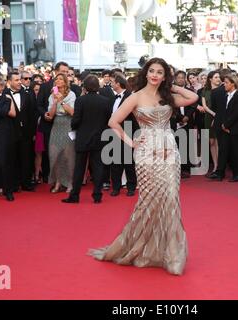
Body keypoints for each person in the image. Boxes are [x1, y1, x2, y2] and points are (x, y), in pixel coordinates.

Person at [88, 58, 198, 276]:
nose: (155, 75)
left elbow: (193, 97)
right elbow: (113, 122)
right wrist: (131, 142)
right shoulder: (135, 97)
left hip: (169, 154)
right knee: (149, 201)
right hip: (147, 155)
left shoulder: (168, 97)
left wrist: (171, 85)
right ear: (145, 73)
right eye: (152, 71)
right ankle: (142, 248)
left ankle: (173, 255)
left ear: (165, 76)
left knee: (170, 199)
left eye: (160, 72)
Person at [61, 75, 112, 204]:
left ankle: (75, 196)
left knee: (79, 168)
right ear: (98, 86)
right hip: (100, 138)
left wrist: (75, 128)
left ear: (85, 87)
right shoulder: (105, 101)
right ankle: (97, 195)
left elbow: (76, 120)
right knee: (98, 167)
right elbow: (108, 120)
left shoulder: (80, 101)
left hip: (83, 138)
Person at [46, 74, 76, 193]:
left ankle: (69, 183)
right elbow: (51, 115)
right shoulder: (51, 95)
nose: (57, 81)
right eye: (56, 79)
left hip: (68, 124)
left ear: (65, 82)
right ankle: (58, 182)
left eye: (60, 79)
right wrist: (54, 101)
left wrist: (61, 101)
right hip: (56, 125)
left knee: (68, 156)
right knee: (55, 155)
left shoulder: (71, 94)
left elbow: (73, 112)